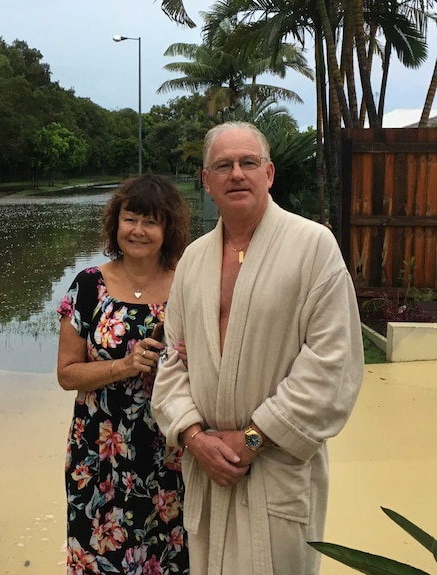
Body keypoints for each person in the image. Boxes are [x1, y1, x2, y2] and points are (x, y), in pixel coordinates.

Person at [150, 121, 364, 575]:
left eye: (248, 162)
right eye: (223, 165)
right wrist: (195, 438)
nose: (237, 174)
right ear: (206, 182)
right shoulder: (192, 260)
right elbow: (172, 361)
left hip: (275, 466)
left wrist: (253, 438)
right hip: (210, 470)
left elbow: (333, 364)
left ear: (269, 174)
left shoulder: (312, 246)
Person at [56, 174, 191, 575]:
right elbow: (66, 374)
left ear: (168, 229)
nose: (138, 230)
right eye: (130, 219)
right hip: (100, 455)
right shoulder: (88, 287)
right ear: (116, 224)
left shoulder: (188, 284)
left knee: (170, 559)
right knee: (101, 561)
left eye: (151, 222)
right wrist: (124, 366)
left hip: (170, 454)